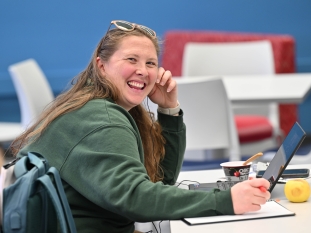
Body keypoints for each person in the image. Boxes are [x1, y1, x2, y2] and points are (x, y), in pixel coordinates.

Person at [11, 20, 271, 233]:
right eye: (131, 60)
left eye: (150, 63)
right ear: (101, 66)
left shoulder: (104, 107)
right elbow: (136, 198)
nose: (143, 71)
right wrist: (226, 200)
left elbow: (159, 180)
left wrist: (169, 111)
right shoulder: (101, 117)